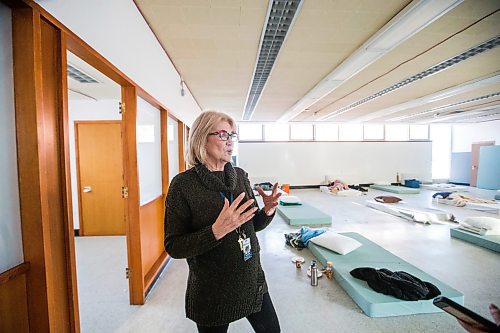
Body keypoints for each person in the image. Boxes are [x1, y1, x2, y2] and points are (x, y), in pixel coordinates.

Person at [164, 111, 282, 333]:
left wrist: (266, 211)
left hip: (251, 279)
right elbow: (174, 246)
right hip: (212, 289)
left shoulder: (239, 176)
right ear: (201, 138)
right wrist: (216, 231)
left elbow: (251, 226)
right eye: (222, 134)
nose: (230, 141)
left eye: (232, 135)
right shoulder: (183, 185)